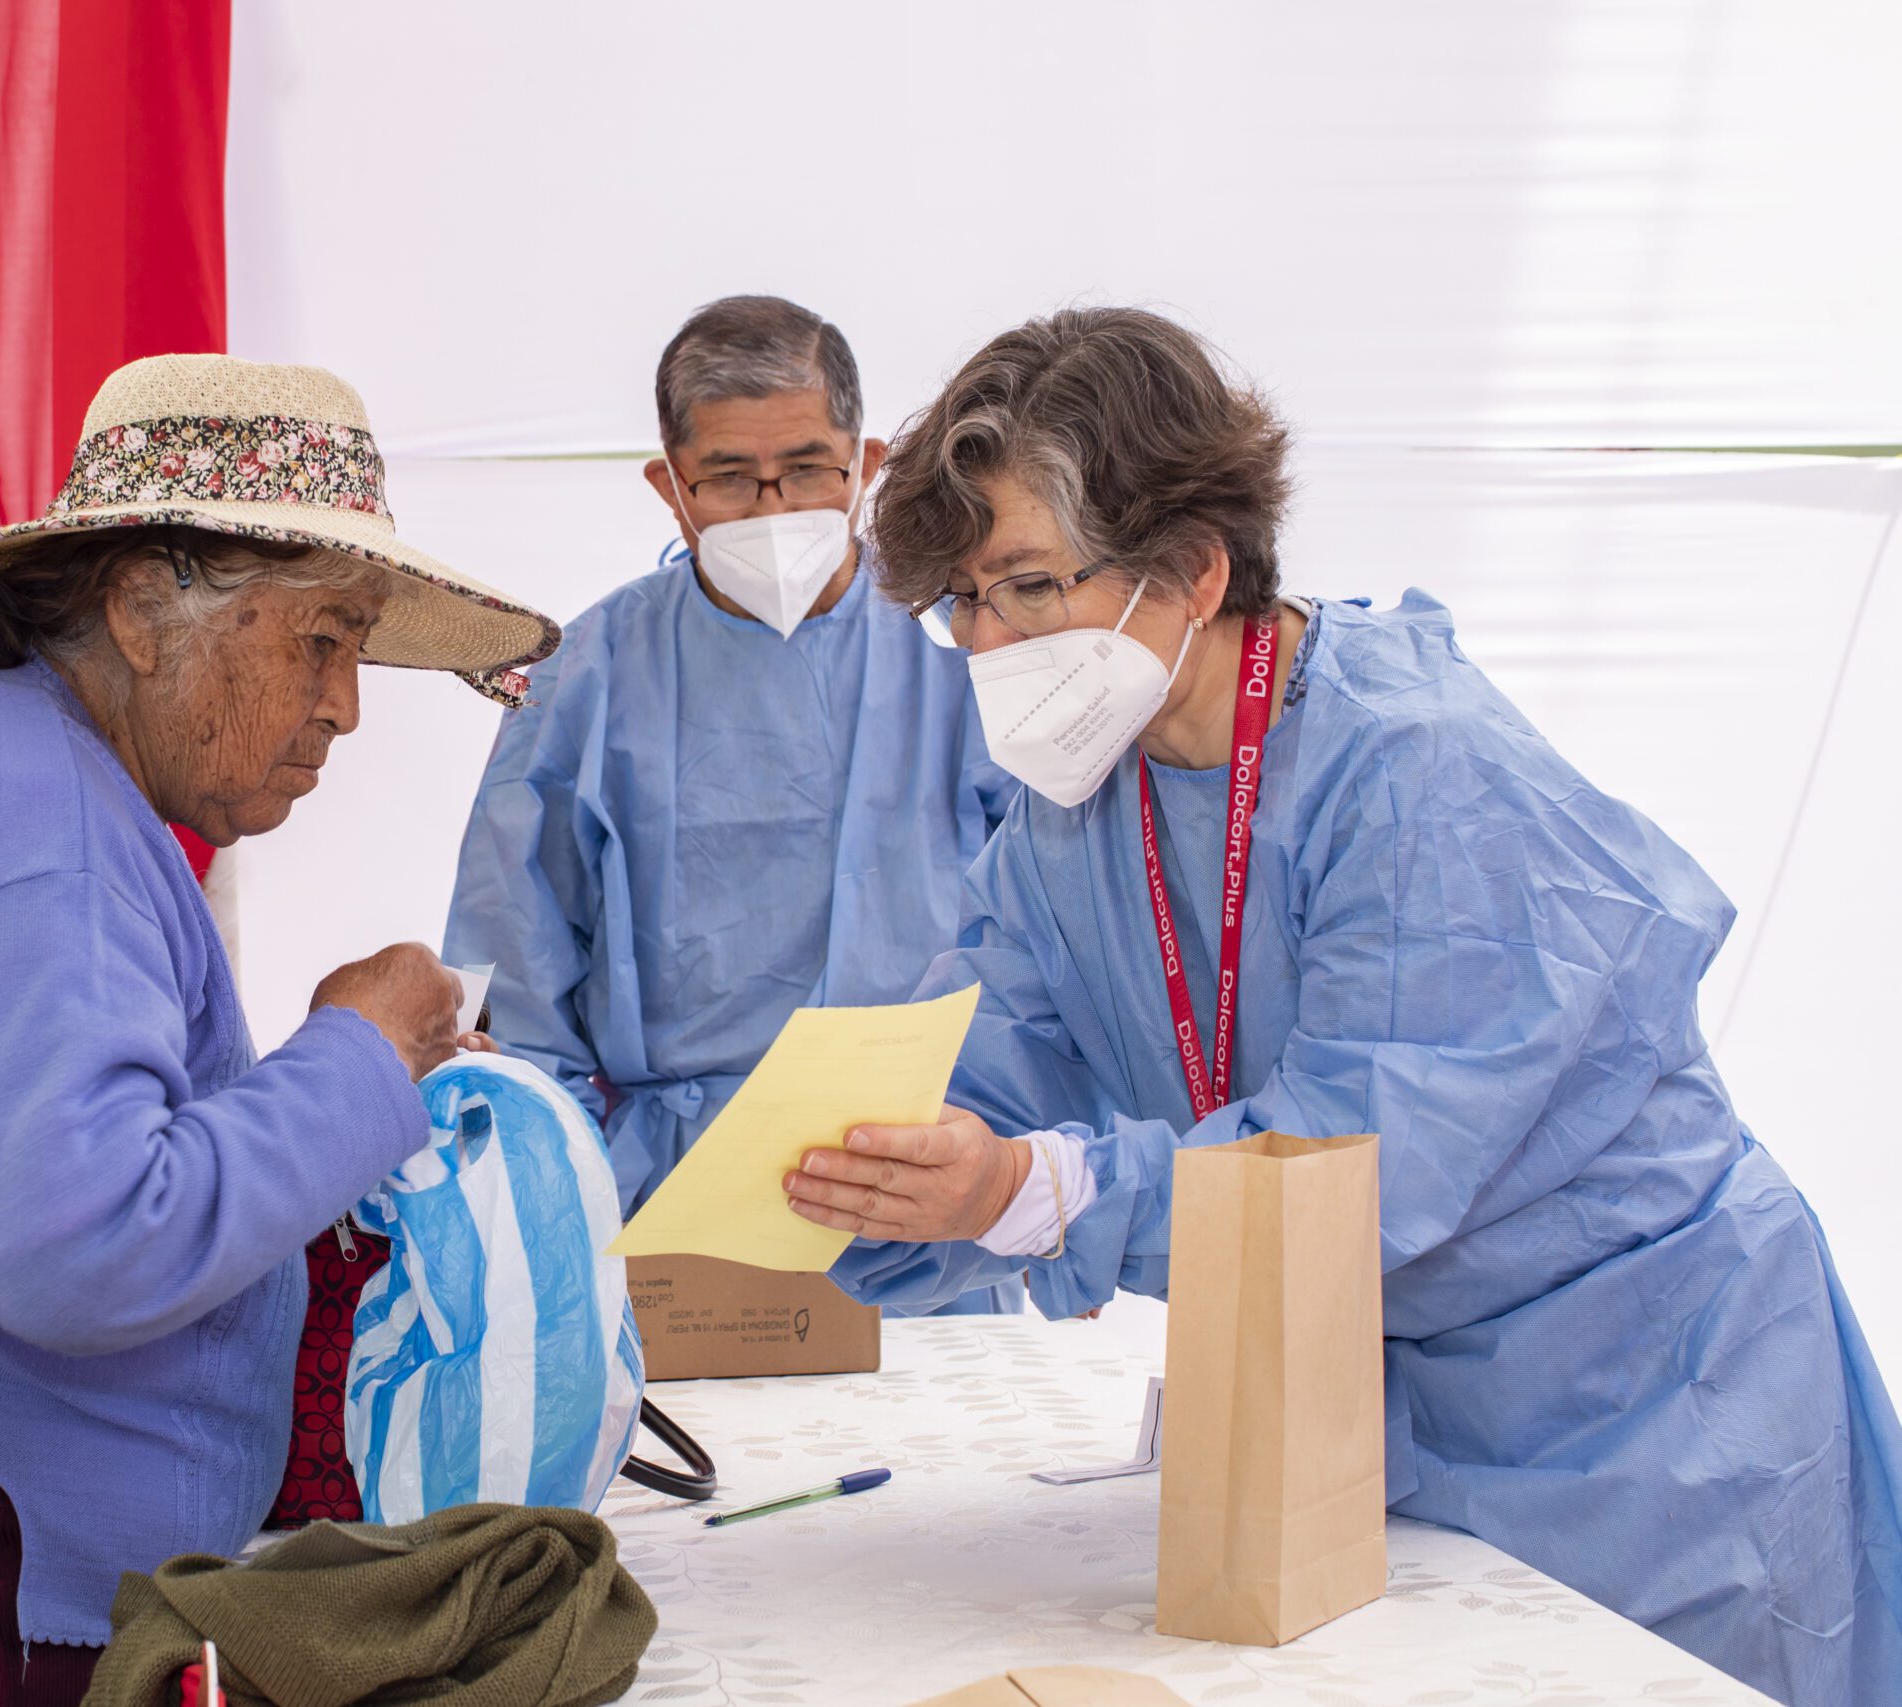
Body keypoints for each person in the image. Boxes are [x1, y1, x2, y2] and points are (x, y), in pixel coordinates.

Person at [779, 307, 1902, 1706]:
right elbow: (1006, 1076)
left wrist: (1044, 1189)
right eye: (959, 600)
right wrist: (903, 1168)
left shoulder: (1417, 769)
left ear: (1190, 566)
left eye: (1021, 584)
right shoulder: (1076, 804)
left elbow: (1363, 1158)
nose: (984, 638)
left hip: (1651, 1408)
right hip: (1388, 1416)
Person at [0, 354, 554, 1706]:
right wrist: (356, 1049)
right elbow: (78, 1247)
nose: (347, 704)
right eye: (322, 637)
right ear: (139, 608)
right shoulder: (35, 814)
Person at [444, 297, 1016, 1311]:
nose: (769, 510)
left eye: (806, 470)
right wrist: (555, 1204)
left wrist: (1045, 1172)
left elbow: (1060, 939)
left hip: (927, 1189)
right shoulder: (588, 676)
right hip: (670, 1197)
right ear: (669, 485)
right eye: (727, 479)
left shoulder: (968, 651)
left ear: (867, 461)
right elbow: (514, 966)